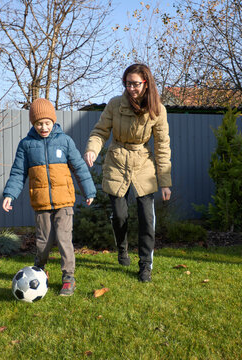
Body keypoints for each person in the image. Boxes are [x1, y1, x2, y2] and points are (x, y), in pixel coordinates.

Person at [84, 63, 172, 282]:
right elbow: (100, 131)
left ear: (146, 83)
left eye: (135, 84)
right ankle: (122, 248)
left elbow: (162, 146)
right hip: (117, 160)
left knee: (146, 218)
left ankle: (145, 265)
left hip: (143, 162)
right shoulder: (115, 104)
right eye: (127, 83)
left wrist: (165, 182)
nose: (131, 88)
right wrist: (92, 149)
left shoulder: (158, 110)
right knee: (120, 215)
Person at [2, 98, 96, 296]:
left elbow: (79, 167)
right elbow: (18, 173)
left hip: (64, 202)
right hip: (41, 202)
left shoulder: (65, 141)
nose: (43, 127)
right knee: (43, 242)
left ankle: (68, 277)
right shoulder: (26, 145)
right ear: (33, 123)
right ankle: (39, 271)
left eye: (47, 123)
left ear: (53, 121)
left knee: (64, 239)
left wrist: (89, 191)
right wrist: (10, 194)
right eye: (38, 123)